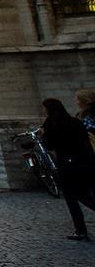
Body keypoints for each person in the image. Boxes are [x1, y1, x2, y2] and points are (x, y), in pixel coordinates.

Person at [42, 98, 95, 240]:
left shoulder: (51, 124)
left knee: (74, 197)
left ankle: (81, 230)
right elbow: (86, 142)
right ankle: (80, 230)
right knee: (83, 194)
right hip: (84, 162)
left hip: (67, 165)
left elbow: (49, 145)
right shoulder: (75, 122)